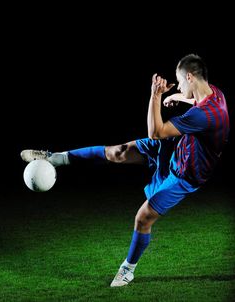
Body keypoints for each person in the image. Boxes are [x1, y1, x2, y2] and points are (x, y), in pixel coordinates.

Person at [20, 54, 230, 287]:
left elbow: (156, 132)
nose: (178, 85)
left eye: (180, 82)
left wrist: (156, 95)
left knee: (143, 218)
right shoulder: (215, 94)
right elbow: (197, 102)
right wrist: (178, 96)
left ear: (190, 77)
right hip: (175, 148)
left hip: (184, 174)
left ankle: (127, 269)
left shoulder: (204, 116)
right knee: (117, 152)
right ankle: (55, 158)